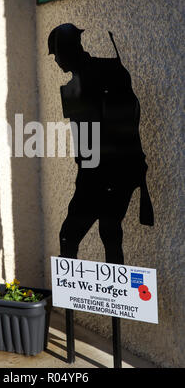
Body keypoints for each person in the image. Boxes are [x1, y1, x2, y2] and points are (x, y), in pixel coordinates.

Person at [48, 23, 154, 265]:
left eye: (57, 54)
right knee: (84, 234)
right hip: (96, 171)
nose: (56, 61)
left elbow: (127, 118)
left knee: (103, 231)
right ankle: (72, 302)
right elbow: (83, 137)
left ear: (70, 49)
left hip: (114, 169)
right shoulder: (74, 85)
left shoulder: (105, 71)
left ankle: (111, 298)